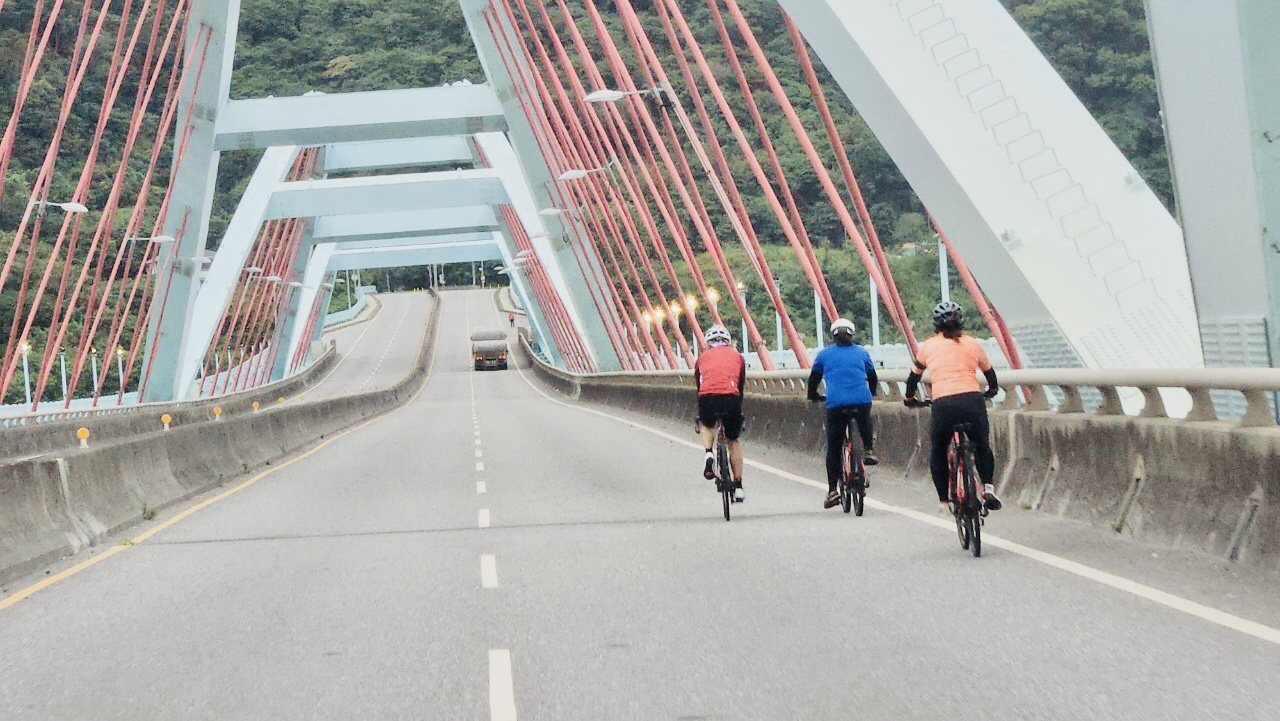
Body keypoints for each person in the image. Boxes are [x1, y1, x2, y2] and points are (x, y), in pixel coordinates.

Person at [903, 301, 1003, 515]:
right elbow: (990, 375)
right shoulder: (972, 343)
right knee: (981, 445)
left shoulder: (928, 346)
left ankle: (943, 500)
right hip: (972, 401)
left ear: (936, 324)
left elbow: (913, 378)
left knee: (939, 450)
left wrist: (910, 398)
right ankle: (987, 488)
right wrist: (992, 390)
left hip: (944, 404)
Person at [807, 318, 880, 509]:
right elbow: (872, 377)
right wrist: (871, 394)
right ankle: (869, 450)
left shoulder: (824, 355)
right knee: (864, 418)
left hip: (836, 403)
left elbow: (813, 379)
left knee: (834, 446)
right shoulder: (862, 352)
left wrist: (813, 396)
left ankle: (832, 491)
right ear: (852, 335)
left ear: (833, 336)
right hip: (861, 400)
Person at [694, 324, 746, 502]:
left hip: (708, 397)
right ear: (729, 342)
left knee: (706, 423)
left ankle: (709, 453)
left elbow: (699, 385)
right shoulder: (737, 356)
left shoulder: (702, 358)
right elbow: (740, 385)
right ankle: (738, 486)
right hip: (731, 398)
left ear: (708, 343)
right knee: (733, 440)